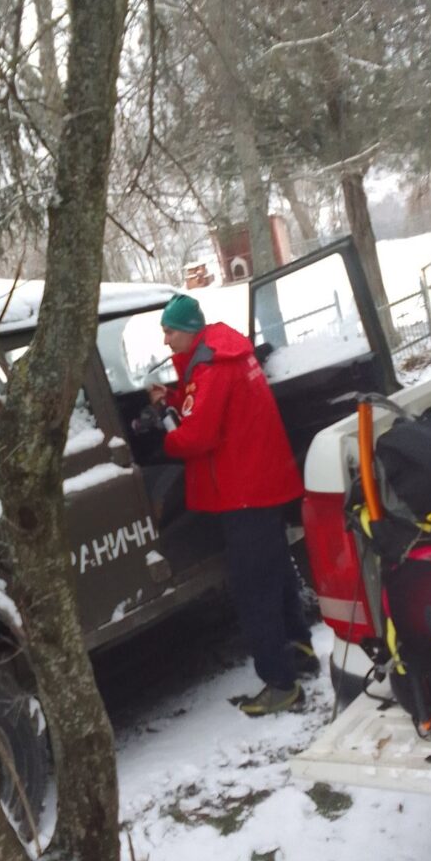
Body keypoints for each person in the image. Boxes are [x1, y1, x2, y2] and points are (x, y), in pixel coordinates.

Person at [148, 292, 318, 714]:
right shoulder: (225, 355)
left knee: (252, 589)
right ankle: (299, 649)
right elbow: (203, 405)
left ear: (187, 330)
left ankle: (281, 684)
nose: (166, 340)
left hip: (243, 493)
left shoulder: (211, 368)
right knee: (276, 572)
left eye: (169, 331)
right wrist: (171, 401)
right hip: (263, 484)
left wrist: (166, 435)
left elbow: (195, 436)